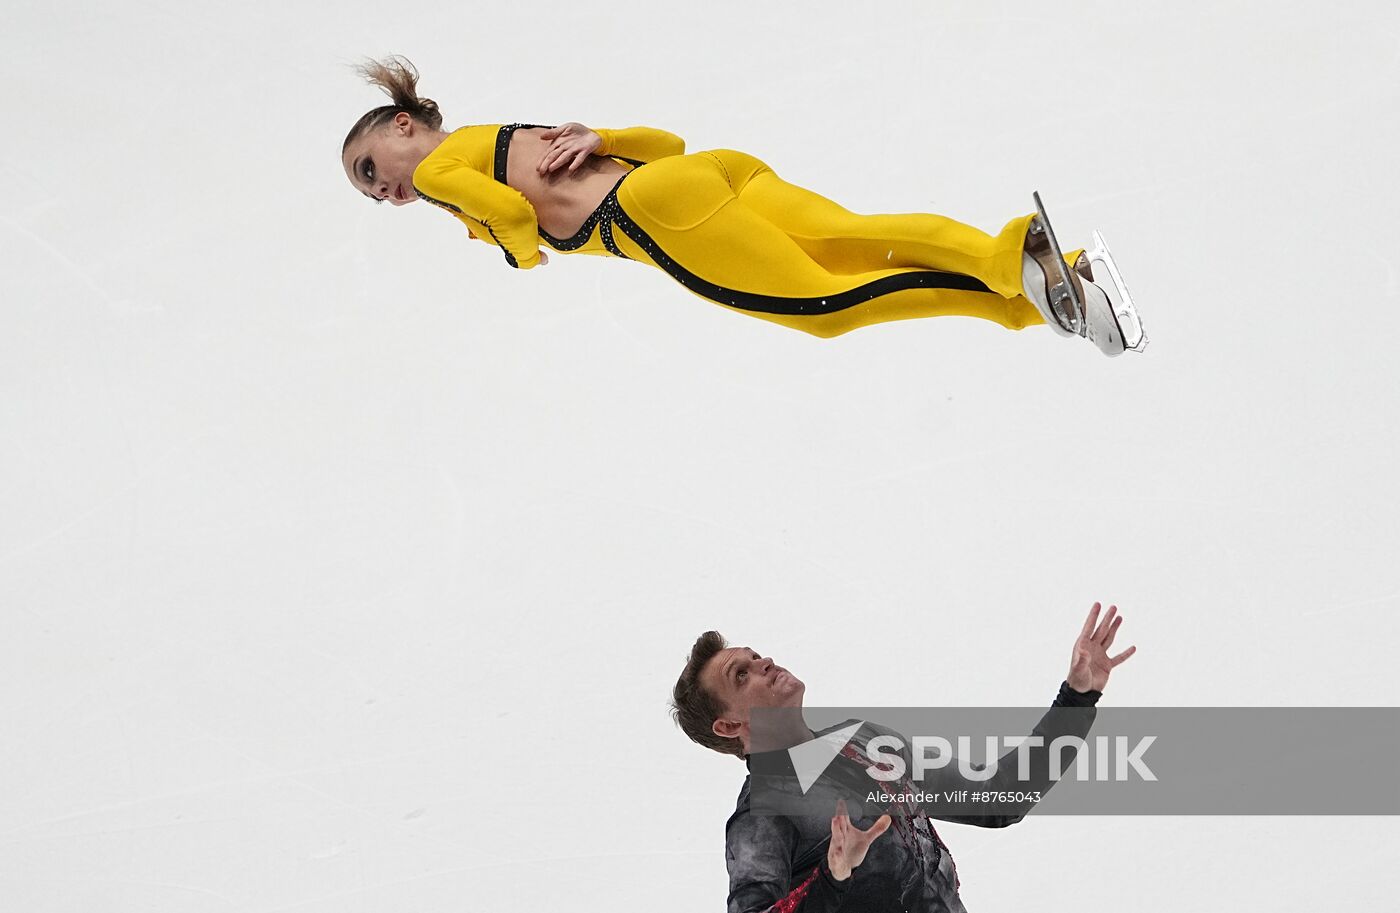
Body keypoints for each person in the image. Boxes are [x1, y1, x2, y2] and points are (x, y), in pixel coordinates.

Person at [341, 57, 1145, 355]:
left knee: (828, 306)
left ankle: (1028, 302)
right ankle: (1033, 266)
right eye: (370, 191)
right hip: (710, 173)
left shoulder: (449, 174)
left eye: (372, 168)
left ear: (406, 126)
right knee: (853, 240)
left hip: (657, 214)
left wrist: (518, 257)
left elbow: (517, 222)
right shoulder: (498, 130)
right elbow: (668, 140)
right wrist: (609, 134)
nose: (384, 191)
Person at [670, 603, 1136, 912]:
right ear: (730, 726)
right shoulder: (760, 816)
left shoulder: (865, 742)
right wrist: (834, 875)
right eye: (742, 674)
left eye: (756, 655)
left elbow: (999, 799)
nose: (764, 662)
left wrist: (1076, 698)